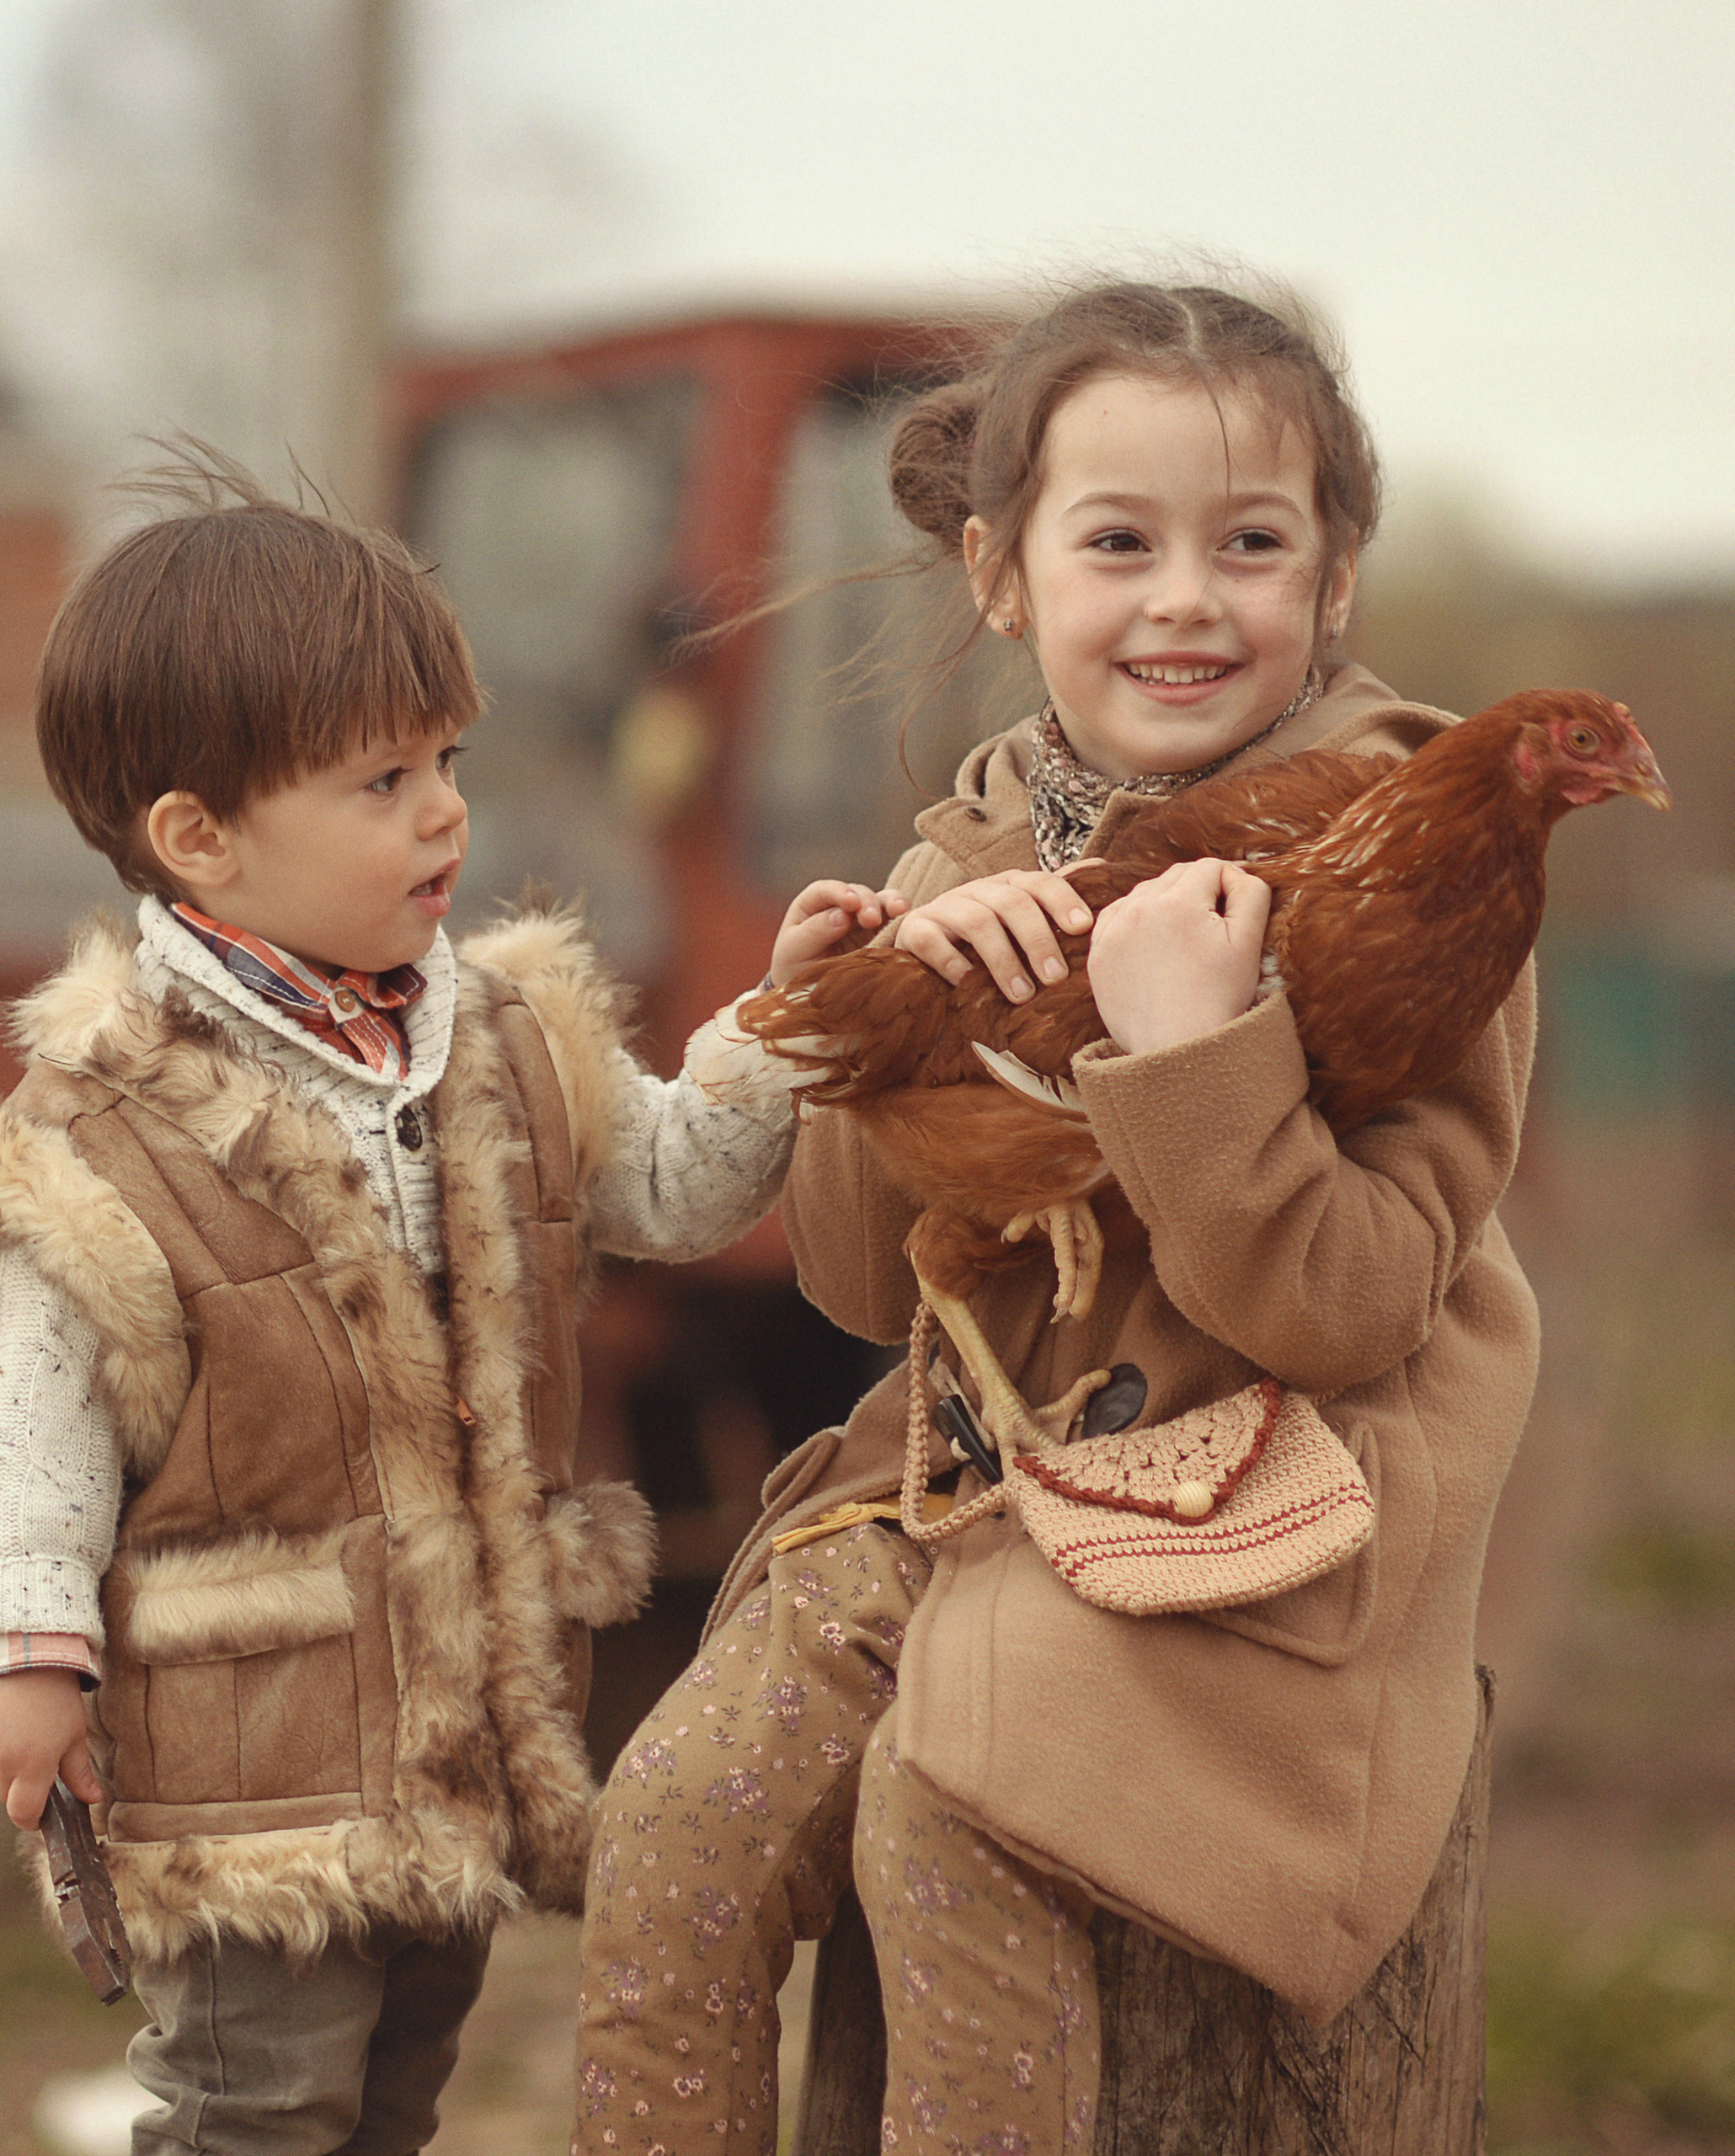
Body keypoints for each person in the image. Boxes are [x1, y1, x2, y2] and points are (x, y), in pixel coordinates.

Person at [573, 280, 1537, 2155]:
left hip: (1258, 1499)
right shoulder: (973, 850)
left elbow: (1340, 1310)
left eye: (1247, 543)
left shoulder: (1406, 865)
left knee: (960, 1808)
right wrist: (870, 1030)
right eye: (1118, 542)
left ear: (1331, 579)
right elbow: (865, 1287)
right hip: (979, 1486)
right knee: (671, 1819)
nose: (1184, 597)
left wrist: (1197, 1060)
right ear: (1000, 574)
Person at [0, 456, 906, 2156]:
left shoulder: (501, 1036)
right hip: (249, 1743)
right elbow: (38, 1416)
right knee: (258, 2101)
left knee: (392, 2091)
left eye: (445, 761)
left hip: (458, 1717)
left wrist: (776, 1029)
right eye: (380, 778)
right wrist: (26, 1652)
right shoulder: (109, 1132)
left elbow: (665, 1179)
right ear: (200, 836)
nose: (444, 810)